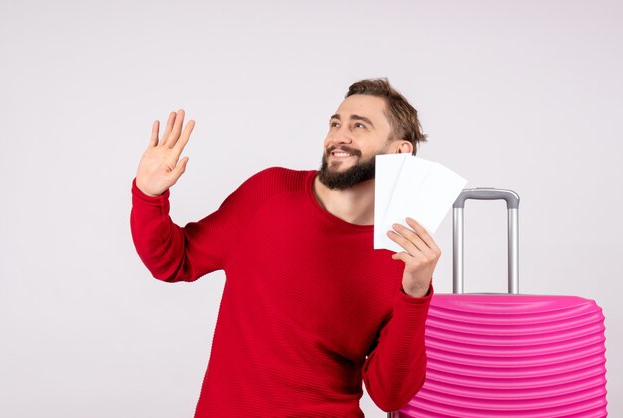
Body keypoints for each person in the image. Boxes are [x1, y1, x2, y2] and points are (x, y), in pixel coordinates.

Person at [130, 78, 440, 417]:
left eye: (359, 126)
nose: (339, 135)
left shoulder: (403, 256)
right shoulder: (270, 193)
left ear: (399, 151)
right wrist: (148, 194)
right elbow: (174, 261)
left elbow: (390, 395)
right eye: (335, 123)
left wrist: (415, 293)